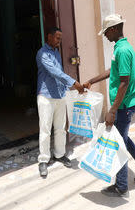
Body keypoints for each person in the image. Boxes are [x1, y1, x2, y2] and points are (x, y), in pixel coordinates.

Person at [83, 14, 135, 197]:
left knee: (118, 145)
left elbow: (124, 82)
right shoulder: (120, 48)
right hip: (124, 105)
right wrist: (91, 81)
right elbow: (113, 71)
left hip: (123, 106)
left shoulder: (123, 50)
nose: (106, 36)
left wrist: (112, 110)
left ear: (114, 29)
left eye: (107, 32)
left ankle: (121, 186)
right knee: (123, 140)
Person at [36, 27, 84, 178]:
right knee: (45, 129)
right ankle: (43, 160)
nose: (59, 41)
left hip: (59, 95)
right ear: (49, 37)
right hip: (46, 96)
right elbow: (54, 72)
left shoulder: (57, 52)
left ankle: (59, 154)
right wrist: (74, 83)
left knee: (60, 128)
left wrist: (68, 89)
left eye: (60, 38)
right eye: (57, 38)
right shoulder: (42, 53)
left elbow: (60, 74)